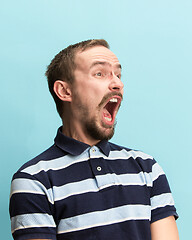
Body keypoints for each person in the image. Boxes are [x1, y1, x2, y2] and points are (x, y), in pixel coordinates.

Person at [9, 39, 179, 240]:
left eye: (118, 74)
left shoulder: (147, 168)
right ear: (64, 91)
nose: (118, 83)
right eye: (100, 73)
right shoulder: (33, 180)